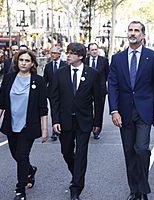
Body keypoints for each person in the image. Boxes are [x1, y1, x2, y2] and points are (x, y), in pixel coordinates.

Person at [108, 21, 154, 200]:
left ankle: (143, 187)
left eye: (136, 31)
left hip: (145, 111)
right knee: (129, 152)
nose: (133, 33)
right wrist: (114, 110)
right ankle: (135, 190)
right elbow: (113, 86)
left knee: (141, 149)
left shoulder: (153, 57)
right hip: (124, 112)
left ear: (143, 35)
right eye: (130, 30)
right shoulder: (117, 58)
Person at [0, 49, 48, 200]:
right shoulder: (9, 78)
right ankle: (30, 170)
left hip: (28, 126)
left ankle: (20, 190)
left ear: (32, 64)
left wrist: (44, 129)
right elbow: (1, 103)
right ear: (17, 62)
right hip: (11, 125)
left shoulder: (39, 81)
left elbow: (43, 107)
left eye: (27, 61)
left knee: (22, 155)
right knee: (16, 155)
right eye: (21, 60)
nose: (24, 63)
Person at [50, 42, 102, 200]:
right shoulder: (59, 73)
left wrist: (97, 122)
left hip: (84, 121)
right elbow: (54, 99)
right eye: (68, 52)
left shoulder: (92, 74)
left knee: (81, 154)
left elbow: (98, 100)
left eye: (72, 53)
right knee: (66, 152)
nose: (68, 55)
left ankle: (76, 187)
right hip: (65, 120)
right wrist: (55, 120)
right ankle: (76, 173)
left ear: (80, 56)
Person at [85, 43, 109, 140]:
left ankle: (97, 130)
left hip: (100, 90)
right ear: (89, 51)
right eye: (92, 50)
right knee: (88, 109)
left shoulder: (104, 61)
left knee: (99, 110)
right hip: (87, 90)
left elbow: (108, 74)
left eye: (96, 49)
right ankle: (88, 127)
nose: (94, 51)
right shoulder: (85, 61)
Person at [43, 47, 68, 141]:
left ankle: (62, 126)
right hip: (51, 93)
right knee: (54, 109)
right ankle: (55, 129)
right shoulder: (48, 66)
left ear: (59, 54)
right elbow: (45, 80)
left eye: (54, 53)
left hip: (63, 92)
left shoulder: (64, 65)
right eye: (51, 53)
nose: (52, 55)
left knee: (62, 109)